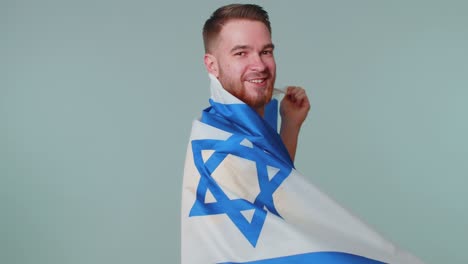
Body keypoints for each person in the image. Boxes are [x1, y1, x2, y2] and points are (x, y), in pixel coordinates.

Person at [181, 4, 423, 264]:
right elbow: (263, 233)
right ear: (212, 65)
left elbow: (273, 195)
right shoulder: (216, 140)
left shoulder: (243, 128)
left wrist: (290, 126)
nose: (259, 65)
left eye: (266, 52)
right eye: (241, 53)